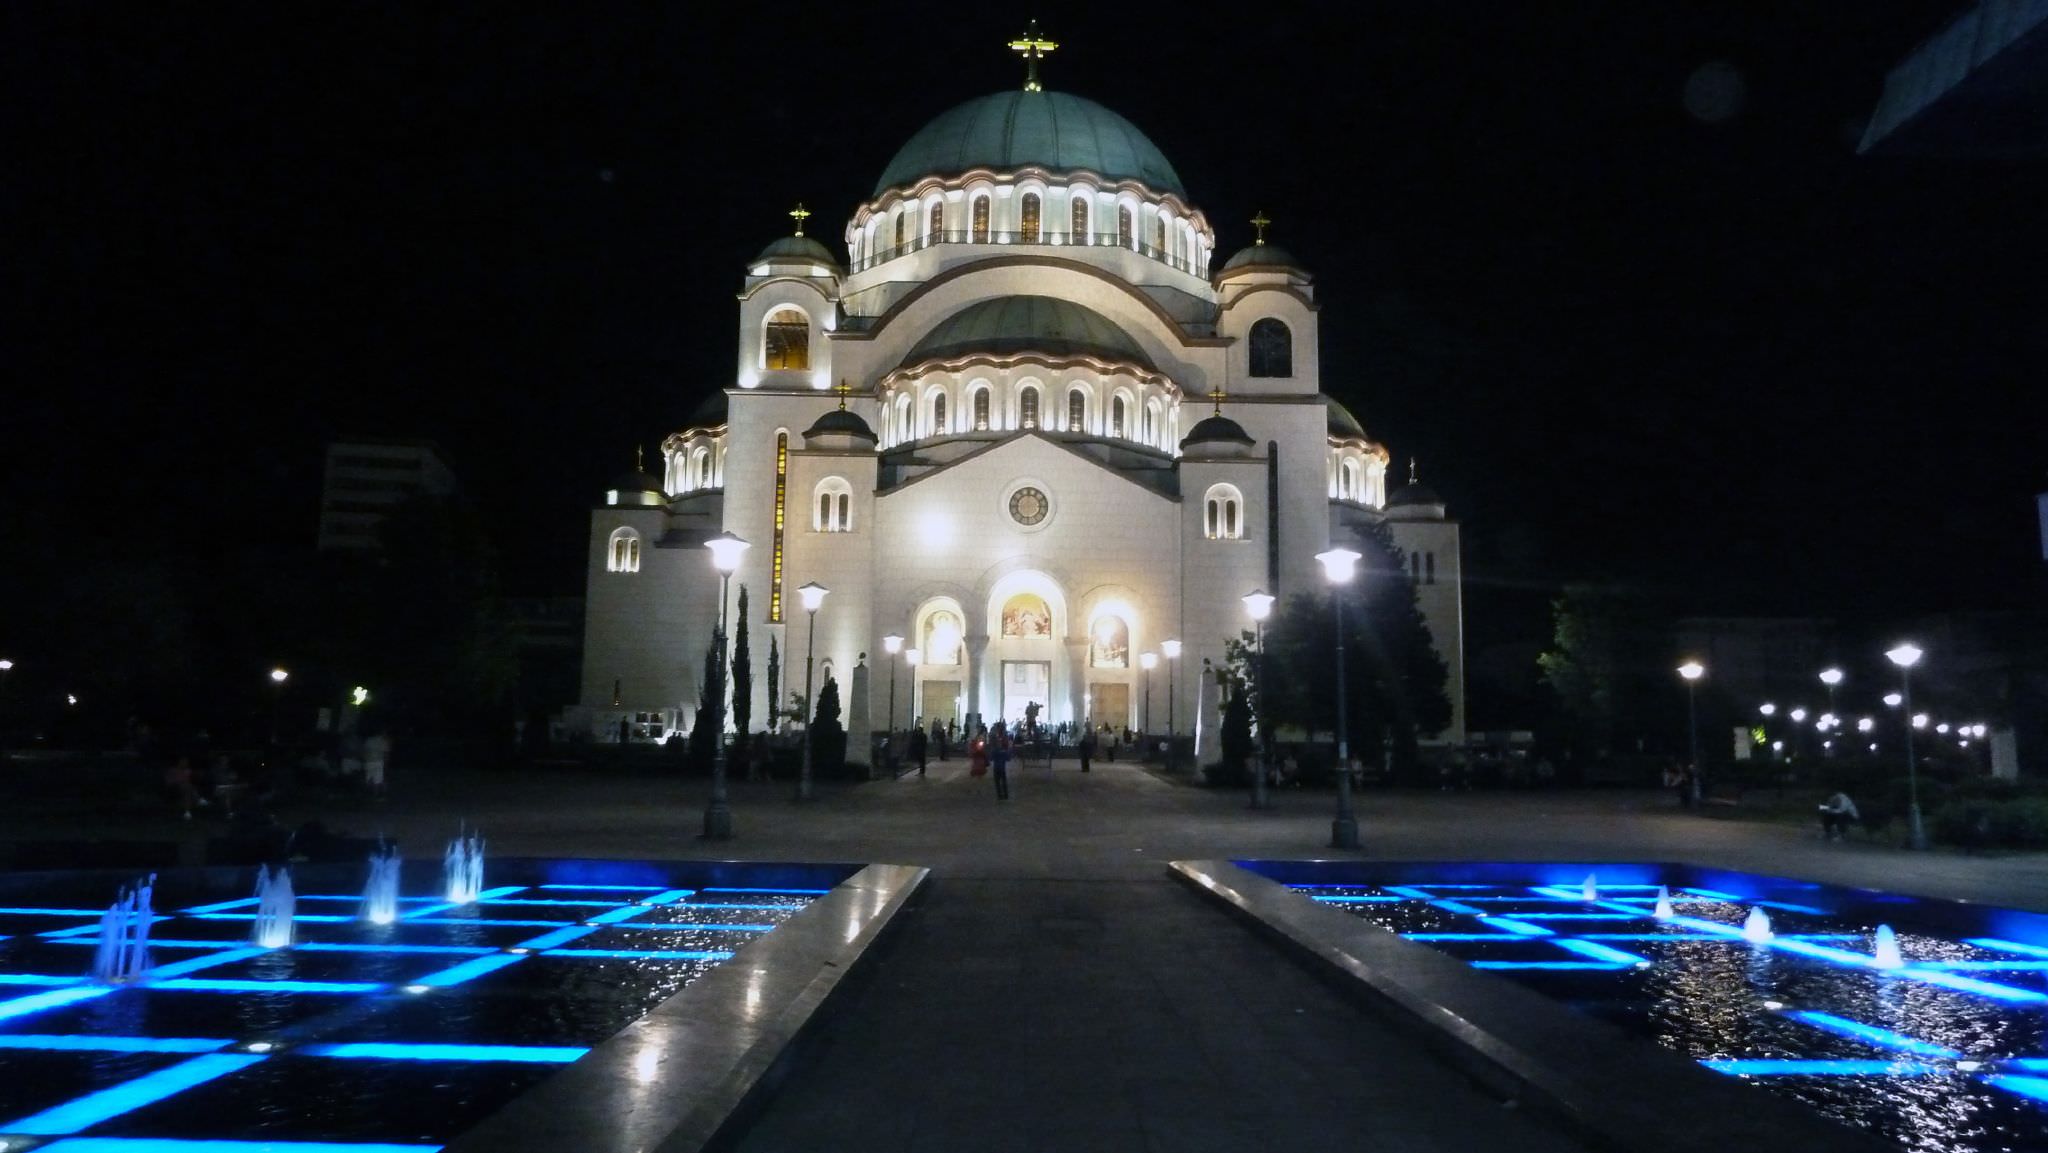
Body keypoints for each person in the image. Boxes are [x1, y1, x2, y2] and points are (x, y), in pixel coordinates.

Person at [990, 725, 1012, 800]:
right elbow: (1008, 759)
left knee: (997, 783)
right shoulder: (1004, 751)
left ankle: (999, 795)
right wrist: (1009, 751)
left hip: (996, 768)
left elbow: (991, 758)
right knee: (1004, 782)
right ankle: (1005, 795)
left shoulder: (994, 751)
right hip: (1002, 768)